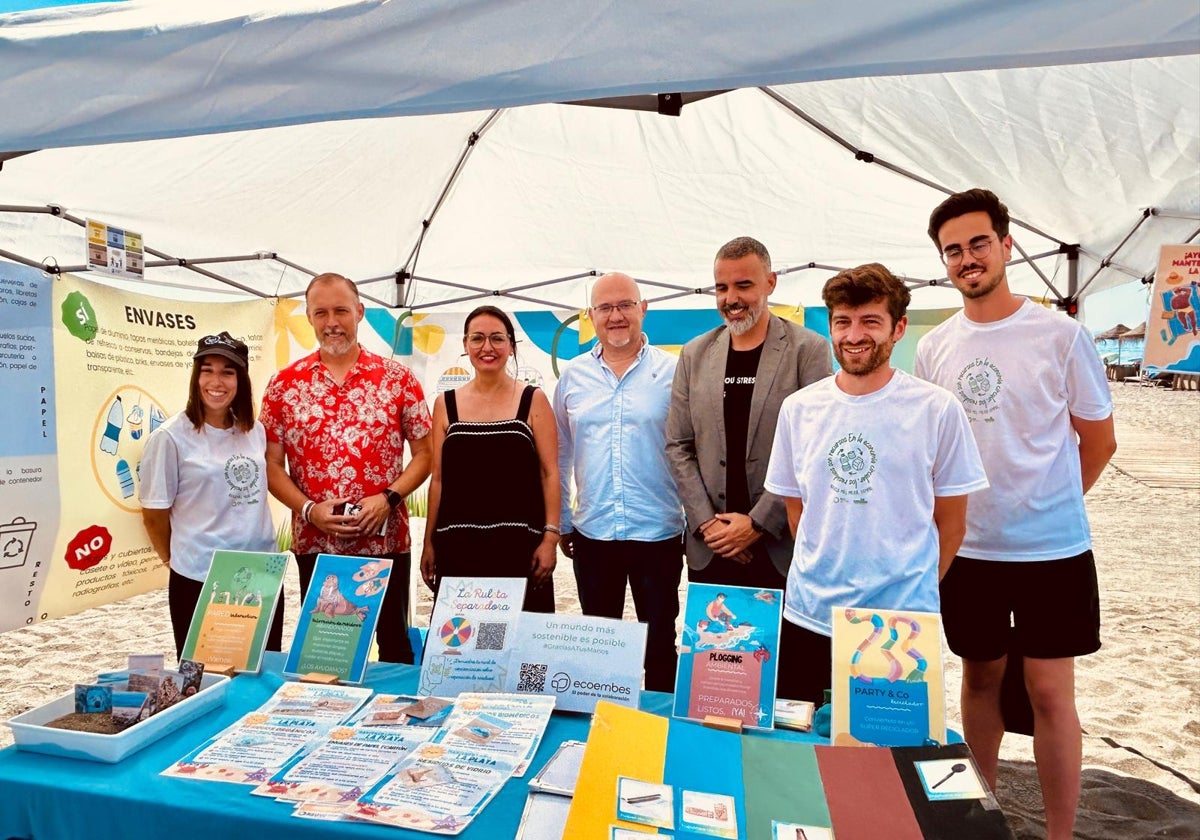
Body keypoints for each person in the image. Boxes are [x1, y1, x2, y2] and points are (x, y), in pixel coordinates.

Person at [915, 189, 1116, 840]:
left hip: (1052, 553)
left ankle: (1060, 833)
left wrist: (1048, 504)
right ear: (943, 261)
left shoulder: (1062, 334)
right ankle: (982, 815)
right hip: (969, 553)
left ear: (1006, 245)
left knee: (1052, 692)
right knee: (979, 680)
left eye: (978, 243)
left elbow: (1100, 440)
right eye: (953, 250)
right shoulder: (935, 347)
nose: (967, 258)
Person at [765, 264, 989, 704]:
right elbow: (797, 510)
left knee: (886, 760)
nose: (853, 336)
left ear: (898, 327)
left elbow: (952, 524)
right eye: (842, 322)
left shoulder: (936, 409)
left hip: (899, 626)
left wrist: (911, 587)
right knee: (803, 755)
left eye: (870, 321)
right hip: (809, 615)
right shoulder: (799, 409)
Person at [261, 273, 432, 664]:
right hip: (318, 546)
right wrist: (309, 510)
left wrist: (388, 499)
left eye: (341, 310)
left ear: (360, 312)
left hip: (385, 543)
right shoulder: (283, 385)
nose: (332, 321)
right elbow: (270, 465)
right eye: (321, 312)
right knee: (326, 655)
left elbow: (426, 453)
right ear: (308, 317)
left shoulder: (397, 379)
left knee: (395, 648)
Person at [666, 236, 831, 591]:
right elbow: (678, 445)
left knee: (783, 649)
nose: (732, 299)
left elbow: (815, 449)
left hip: (779, 547)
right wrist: (708, 525)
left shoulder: (808, 350)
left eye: (744, 285)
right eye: (721, 288)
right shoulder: (695, 354)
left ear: (770, 283)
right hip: (711, 548)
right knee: (716, 647)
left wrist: (756, 524)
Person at [554, 272, 684, 692]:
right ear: (591, 316)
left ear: (643, 308)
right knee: (599, 647)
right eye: (605, 308)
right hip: (593, 535)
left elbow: (690, 447)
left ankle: (662, 735)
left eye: (625, 305)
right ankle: (601, 732)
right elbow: (560, 452)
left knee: (660, 643)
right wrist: (563, 519)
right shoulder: (573, 376)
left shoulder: (674, 372)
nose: (616, 316)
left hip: (658, 533)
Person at [140, 331, 282, 658]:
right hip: (202, 577)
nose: (216, 381)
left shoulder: (254, 431)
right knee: (206, 676)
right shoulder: (170, 437)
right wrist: (173, 560)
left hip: (260, 574)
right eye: (207, 370)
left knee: (260, 670)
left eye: (227, 372)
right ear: (196, 376)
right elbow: (153, 515)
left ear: (240, 380)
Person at [421, 305, 559, 612]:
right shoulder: (445, 404)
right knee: (461, 650)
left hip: (520, 548)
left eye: (497, 338)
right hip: (458, 548)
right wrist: (429, 542)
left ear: (511, 345)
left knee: (521, 650)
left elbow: (550, 473)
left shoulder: (533, 399)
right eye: (477, 338)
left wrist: (550, 539)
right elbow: (438, 479)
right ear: (465, 345)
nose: (487, 347)